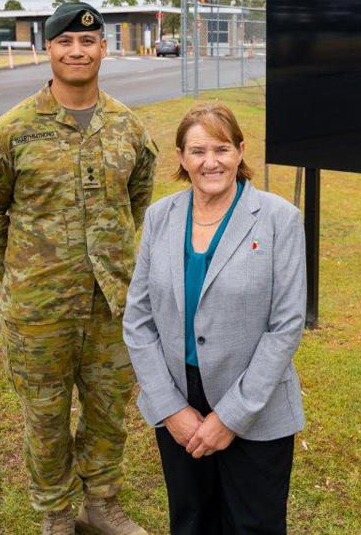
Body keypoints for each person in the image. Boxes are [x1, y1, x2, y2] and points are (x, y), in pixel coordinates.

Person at [0, 1, 158, 535]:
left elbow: (136, 198)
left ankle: (102, 505)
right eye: (65, 42)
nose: (78, 51)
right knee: (45, 418)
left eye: (88, 42)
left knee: (107, 409)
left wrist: (109, 257)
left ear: (104, 49)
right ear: (46, 49)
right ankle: (56, 514)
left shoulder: (127, 127)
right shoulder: (12, 130)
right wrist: (22, 273)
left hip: (110, 304)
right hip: (38, 311)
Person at [123, 102, 306, 534]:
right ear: (182, 159)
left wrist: (231, 418)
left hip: (254, 404)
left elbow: (286, 325)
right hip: (179, 397)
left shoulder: (280, 219)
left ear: (240, 152)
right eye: (198, 151)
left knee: (253, 524)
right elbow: (138, 318)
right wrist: (169, 409)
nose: (211, 162)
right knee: (191, 521)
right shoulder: (160, 217)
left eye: (222, 149)